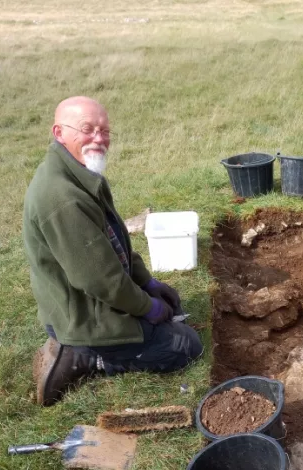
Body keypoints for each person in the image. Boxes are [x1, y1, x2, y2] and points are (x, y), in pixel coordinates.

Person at [22, 96, 203, 406]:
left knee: (172, 312)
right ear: (59, 132)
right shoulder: (63, 198)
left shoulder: (79, 174)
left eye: (105, 131)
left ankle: (88, 346)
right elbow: (101, 281)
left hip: (90, 300)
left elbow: (114, 241)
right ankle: (84, 358)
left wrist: (147, 282)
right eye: (87, 129)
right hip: (82, 316)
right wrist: (147, 307)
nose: (99, 138)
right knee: (185, 346)